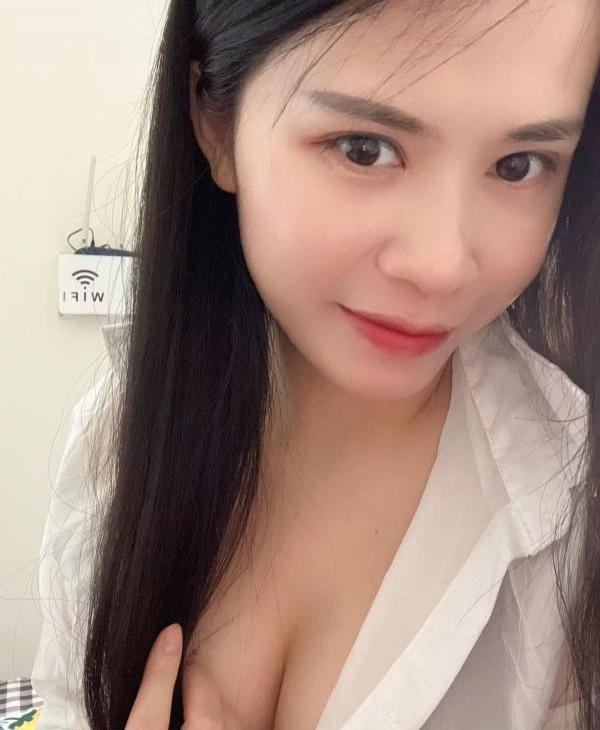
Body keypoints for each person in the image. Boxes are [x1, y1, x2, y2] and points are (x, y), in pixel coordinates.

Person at [31, 0, 600, 728]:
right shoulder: (116, 433)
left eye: (519, 166)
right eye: (364, 149)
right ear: (214, 124)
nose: (442, 266)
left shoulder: (573, 514)